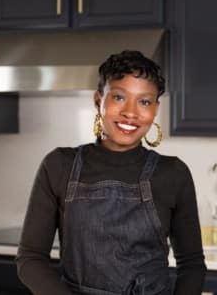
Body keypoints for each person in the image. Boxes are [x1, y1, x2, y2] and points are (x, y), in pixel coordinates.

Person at [16, 50, 206, 295]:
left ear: (156, 109)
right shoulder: (59, 165)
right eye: (118, 97)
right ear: (98, 100)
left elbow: (191, 265)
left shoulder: (173, 173)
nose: (130, 112)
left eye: (144, 101)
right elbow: (30, 260)